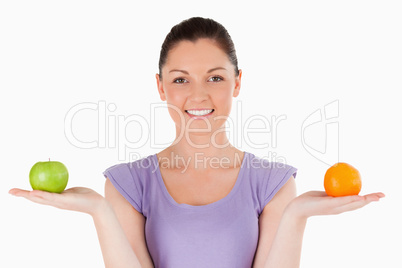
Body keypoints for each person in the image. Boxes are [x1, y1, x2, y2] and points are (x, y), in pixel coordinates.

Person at [9, 17, 385, 268]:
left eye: (216, 78)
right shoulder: (127, 183)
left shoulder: (273, 183)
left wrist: (296, 215)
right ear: (160, 87)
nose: (199, 96)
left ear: (238, 83)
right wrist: (99, 211)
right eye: (180, 79)